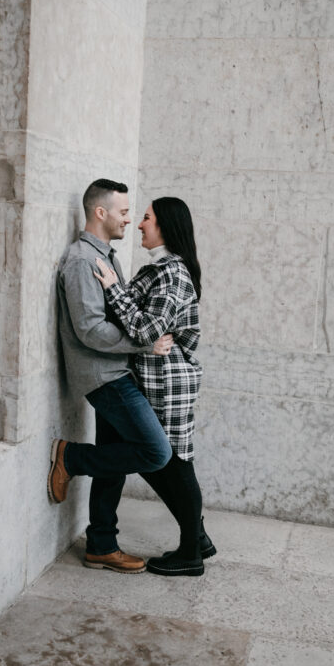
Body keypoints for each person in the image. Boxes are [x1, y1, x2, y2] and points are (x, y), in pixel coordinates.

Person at [49, 179, 174, 574]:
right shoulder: (84, 261)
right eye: (123, 211)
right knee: (156, 452)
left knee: (115, 462)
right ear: (100, 213)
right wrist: (143, 345)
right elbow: (90, 330)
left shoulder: (106, 258)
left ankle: (101, 544)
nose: (129, 219)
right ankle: (70, 456)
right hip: (105, 376)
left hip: (117, 370)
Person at [93, 196, 215, 577]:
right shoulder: (158, 270)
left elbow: (146, 329)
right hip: (155, 377)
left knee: (173, 463)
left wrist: (112, 287)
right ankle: (198, 539)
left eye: (146, 218)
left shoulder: (172, 274)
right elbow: (143, 324)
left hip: (169, 382)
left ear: (164, 226)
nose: (139, 224)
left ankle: (191, 552)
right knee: (161, 460)